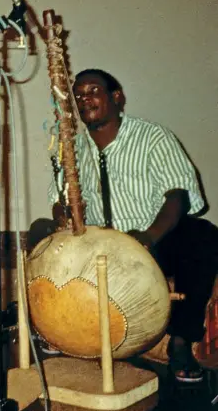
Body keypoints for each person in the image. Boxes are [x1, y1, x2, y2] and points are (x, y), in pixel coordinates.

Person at [30, 68, 217, 383]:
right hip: (94, 253)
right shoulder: (72, 146)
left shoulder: (153, 137)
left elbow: (178, 196)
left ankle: (181, 342)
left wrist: (147, 237)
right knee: (39, 230)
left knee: (202, 234)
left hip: (150, 245)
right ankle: (55, 328)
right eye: (78, 95)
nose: (84, 99)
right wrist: (63, 221)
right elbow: (58, 198)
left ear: (116, 98)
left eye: (93, 91)